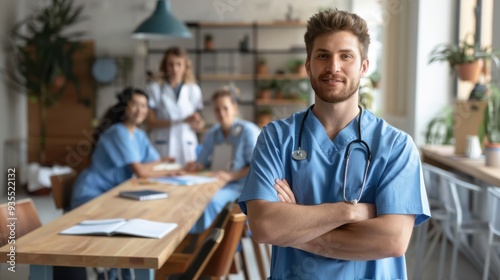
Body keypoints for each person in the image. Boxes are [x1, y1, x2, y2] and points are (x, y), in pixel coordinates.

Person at [238, 9, 430, 279]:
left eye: (346, 56)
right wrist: (350, 211)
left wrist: (294, 230)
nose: (333, 67)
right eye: (323, 55)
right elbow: (265, 227)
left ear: (364, 66)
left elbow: (392, 240)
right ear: (308, 65)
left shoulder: (396, 146)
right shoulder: (276, 138)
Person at [71, 87, 184, 210]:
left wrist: (170, 170)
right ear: (124, 107)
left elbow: (152, 165)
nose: (139, 110)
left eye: (143, 105)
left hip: (112, 194)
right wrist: (165, 167)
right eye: (134, 105)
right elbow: (140, 171)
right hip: (92, 194)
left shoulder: (139, 135)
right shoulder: (118, 132)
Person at [185, 89, 260, 233]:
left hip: (240, 186)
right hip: (215, 183)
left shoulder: (248, 131)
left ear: (234, 108)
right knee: (190, 198)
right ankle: (189, 242)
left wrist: (231, 176)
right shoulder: (212, 133)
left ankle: (207, 247)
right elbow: (202, 162)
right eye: (217, 109)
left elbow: (256, 166)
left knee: (210, 203)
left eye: (225, 108)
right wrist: (195, 166)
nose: (221, 113)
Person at [146, 46, 205, 166]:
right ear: (165, 66)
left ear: (185, 67)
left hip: (187, 145)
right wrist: (181, 121)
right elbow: (150, 122)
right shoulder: (155, 89)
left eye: (179, 64)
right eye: (170, 64)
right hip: (162, 144)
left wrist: (198, 124)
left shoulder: (194, 90)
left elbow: (200, 122)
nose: (175, 69)